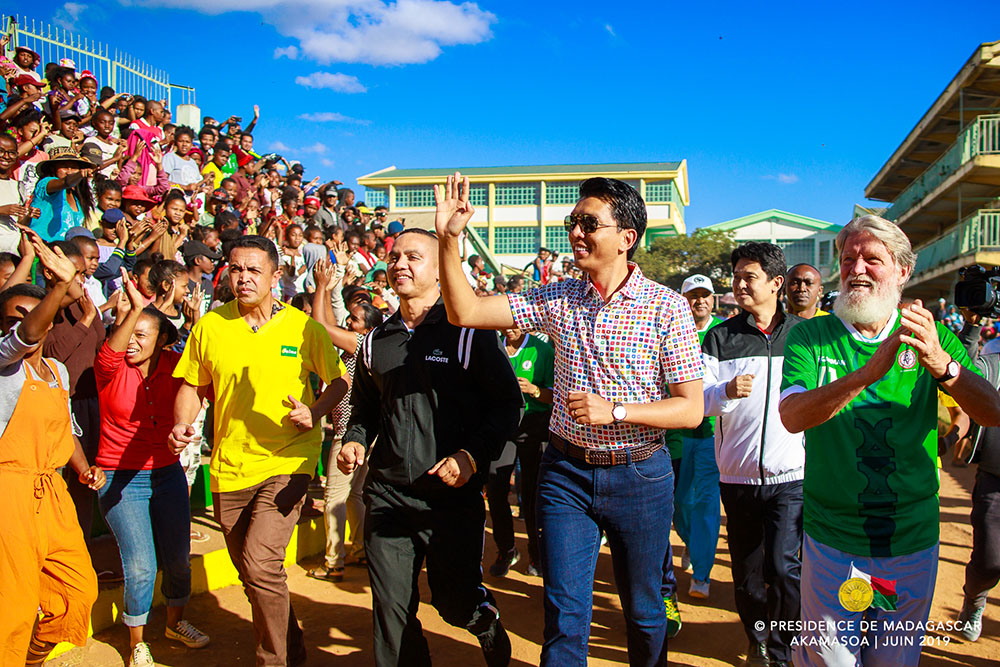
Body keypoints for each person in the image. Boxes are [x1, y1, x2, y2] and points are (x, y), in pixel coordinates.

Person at [434, 173, 705, 666]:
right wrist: (449, 240)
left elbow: (690, 408)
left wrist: (616, 411)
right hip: (565, 474)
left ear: (627, 237)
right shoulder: (557, 297)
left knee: (645, 610)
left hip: (640, 476)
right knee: (564, 613)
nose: (576, 232)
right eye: (572, 221)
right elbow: (465, 311)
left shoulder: (667, 307)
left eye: (589, 223)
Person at [779, 215, 1000, 666]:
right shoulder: (811, 335)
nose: (856, 269)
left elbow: (991, 412)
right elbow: (792, 416)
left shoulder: (930, 334)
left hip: (909, 543)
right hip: (833, 541)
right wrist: (867, 373)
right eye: (848, 259)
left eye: (872, 259)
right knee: (830, 660)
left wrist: (942, 363)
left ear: (902, 271)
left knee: (892, 658)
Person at [338, 228, 523, 666]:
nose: (399, 264)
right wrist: (354, 440)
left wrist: (471, 456)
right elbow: (364, 407)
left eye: (413, 257)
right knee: (392, 610)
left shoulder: (468, 332)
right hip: (387, 494)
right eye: (394, 256)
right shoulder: (376, 341)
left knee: (453, 601)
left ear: (441, 269)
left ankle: (483, 619)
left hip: (451, 496)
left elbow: (507, 405)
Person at [170, 235, 349, 666]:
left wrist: (315, 411)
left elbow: (340, 381)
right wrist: (181, 423)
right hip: (229, 466)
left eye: (254, 270)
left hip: (290, 459)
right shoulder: (210, 326)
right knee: (253, 575)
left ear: (276, 275)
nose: (244, 278)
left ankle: (273, 660)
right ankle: (293, 646)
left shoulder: (303, 327)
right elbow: (192, 385)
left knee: (260, 562)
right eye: (236, 269)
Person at [0, 232, 105, 665]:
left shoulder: (58, 371)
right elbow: (27, 334)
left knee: (78, 590)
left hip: (53, 494)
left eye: (36, 310)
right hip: (9, 494)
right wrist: (59, 287)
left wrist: (82, 467)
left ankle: (31, 658)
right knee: (15, 603)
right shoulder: (4, 363)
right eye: (15, 316)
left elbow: (66, 427)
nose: (29, 320)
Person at [95, 271, 209, 667]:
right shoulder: (110, 367)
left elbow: (205, 380)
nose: (131, 341)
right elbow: (111, 351)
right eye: (128, 333)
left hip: (167, 472)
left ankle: (175, 624)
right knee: (141, 565)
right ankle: (136, 643)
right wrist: (134, 309)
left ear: (162, 341)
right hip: (120, 477)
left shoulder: (177, 366)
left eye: (142, 335)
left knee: (178, 558)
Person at [701, 243, 805, 667]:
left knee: (783, 567)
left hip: (792, 476)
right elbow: (698, 401)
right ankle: (757, 638)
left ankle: (782, 650)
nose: (740, 285)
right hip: (737, 477)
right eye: (737, 277)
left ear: (776, 283)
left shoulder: (803, 335)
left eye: (750, 277)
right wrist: (724, 391)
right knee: (748, 574)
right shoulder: (719, 336)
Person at [308, 259, 384, 581]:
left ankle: (333, 562)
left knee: (334, 497)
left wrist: (322, 288)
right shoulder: (368, 344)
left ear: (366, 329)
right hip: (364, 434)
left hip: (348, 433)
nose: (348, 323)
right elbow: (328, 325)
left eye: (354, 320)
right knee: (354, 495)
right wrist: (326, 291)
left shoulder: (359, 345)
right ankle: (360, 550)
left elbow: (320, 326)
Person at [486, 326, 554, 578]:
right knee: (496, 488)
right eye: (504, 324)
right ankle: (506, 549)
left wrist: (533, 390)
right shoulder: (493, 347)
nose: (509, 329)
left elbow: (556, 395)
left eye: (514, 324)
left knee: (532, 494)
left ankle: (536, 554)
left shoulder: (542, 350)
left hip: (533, 426)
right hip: (503, 427)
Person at [673, 274, 724, 600]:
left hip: (711, 434)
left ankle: (702, 574)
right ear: (685, 300)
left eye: (705, 295)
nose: (700, 301)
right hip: (676, 433)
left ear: (713, 299)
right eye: (694, 295)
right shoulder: (672, 329)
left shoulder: (723, 333)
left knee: (706, 503)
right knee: (678, 504)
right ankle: (693, 544)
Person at [953, 308, 1000, 642]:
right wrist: (972, 326)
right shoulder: (995, 362)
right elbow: (961, 369)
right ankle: (975, 597)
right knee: (988, 562)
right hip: (995, 478)